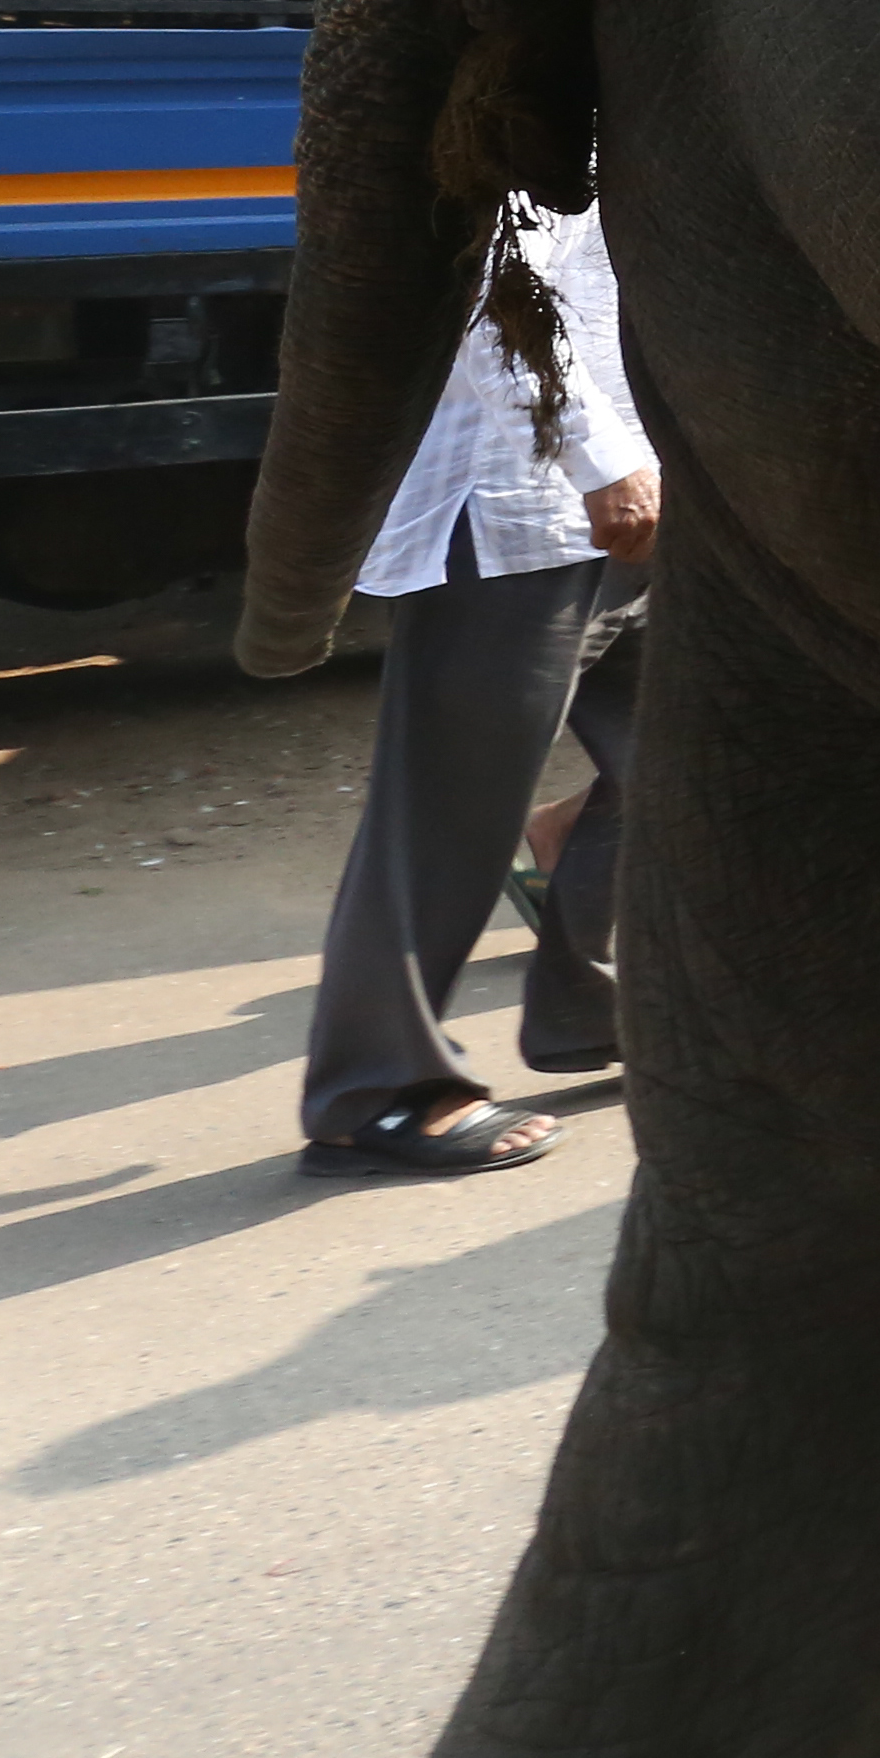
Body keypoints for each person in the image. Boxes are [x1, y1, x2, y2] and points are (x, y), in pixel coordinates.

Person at [298, 201, 652, 1179]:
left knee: (687, 759)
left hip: (630, 506)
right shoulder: (529, 96)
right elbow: (500, 296)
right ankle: (372, 1092)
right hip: (519, 510)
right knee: (446, 816)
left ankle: (595, 1009)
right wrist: (604, 461)